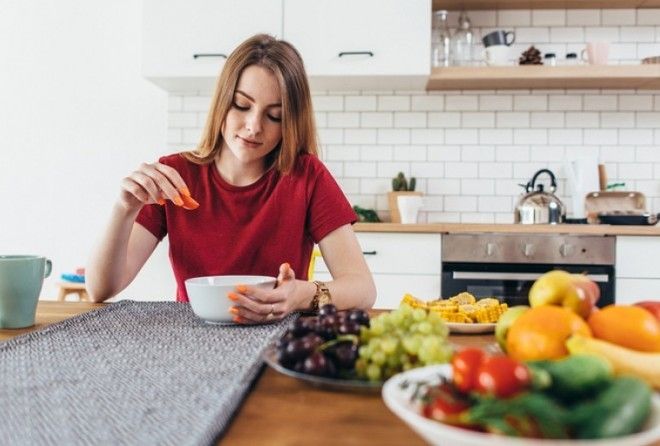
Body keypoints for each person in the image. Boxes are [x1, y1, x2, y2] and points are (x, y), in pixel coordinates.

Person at [86, 34, 376, 322]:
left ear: (290, 123)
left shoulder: (307, 176)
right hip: (190, 337)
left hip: (277, 337)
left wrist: (300, 295)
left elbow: (363, 289)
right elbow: (100, 289)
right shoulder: (174, 176)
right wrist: (124, 209)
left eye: (274, 116)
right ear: (223, 101)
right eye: (241, 105)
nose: (254, 127)